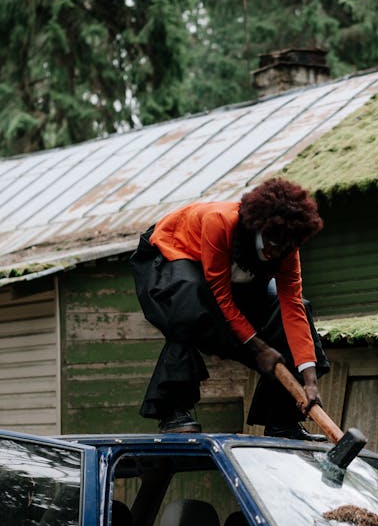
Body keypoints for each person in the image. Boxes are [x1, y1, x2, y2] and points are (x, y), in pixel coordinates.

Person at [130, 177, 329, 438]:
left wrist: (309, 380)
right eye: (270, 241)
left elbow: (291, 306)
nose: (273, 251)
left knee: (297, 308)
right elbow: (220, 295)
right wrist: (259, 348)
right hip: (172, 253)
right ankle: (172, 410)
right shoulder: (220, 221)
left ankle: (282, 422)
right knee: (189, 301)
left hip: (228, 278)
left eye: (282, 247)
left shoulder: (286, 248)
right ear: (258, 226)